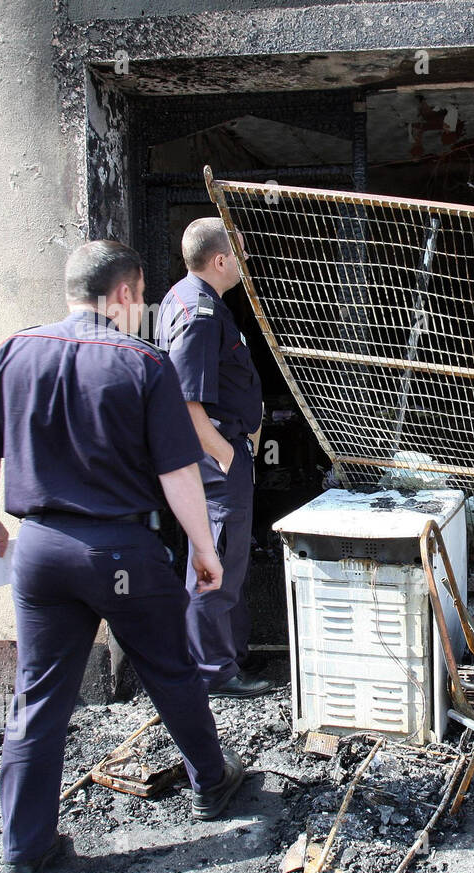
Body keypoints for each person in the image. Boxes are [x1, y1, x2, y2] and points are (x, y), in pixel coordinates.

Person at [0, 240, 246, 873]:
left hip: (40, 551)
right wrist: (205, 551)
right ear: (124, 292)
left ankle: (24, 853)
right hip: (122, 555)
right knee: (170, 670)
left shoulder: (12, 351)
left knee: (38, 697)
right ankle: (212, 782)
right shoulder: (142, 363)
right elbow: (178, 472)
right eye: (140, 296)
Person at [157, 219, 269, 698]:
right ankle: (214, 672)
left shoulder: (187, 300)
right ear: (220, 260)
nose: (244, 266)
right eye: (239, 255)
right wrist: (225, 452)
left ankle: (226, 657)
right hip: (213, 459)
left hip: (216, 455)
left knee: (224, 557)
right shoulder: (200, 314)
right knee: (215, 559)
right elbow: (186, 401)